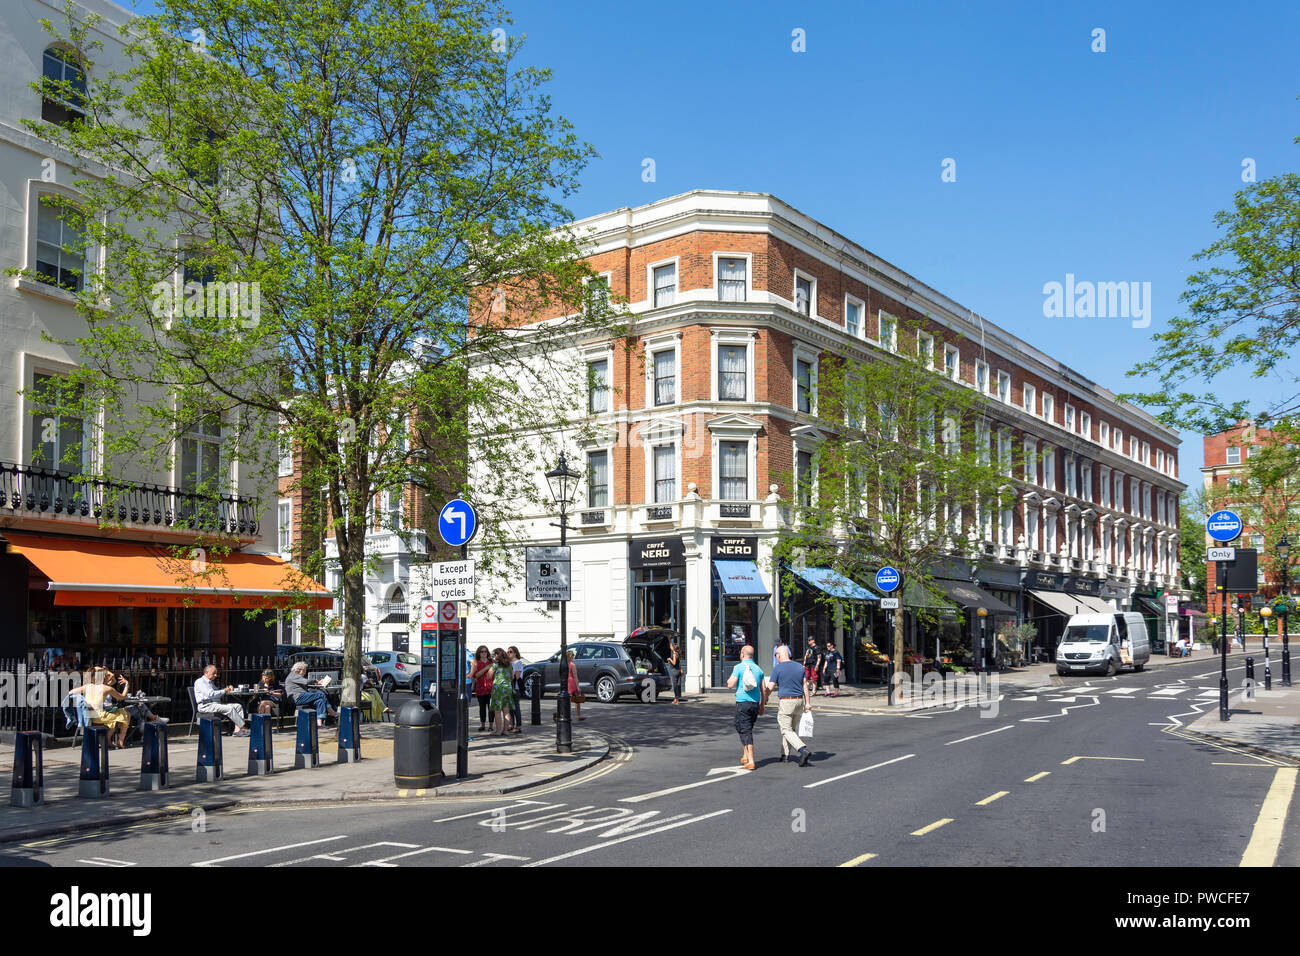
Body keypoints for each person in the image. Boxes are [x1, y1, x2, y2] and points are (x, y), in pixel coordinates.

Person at [766, 646, 812, 767]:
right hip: (799, 702)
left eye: (776, 655)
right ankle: (785, 755)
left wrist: (764, 697)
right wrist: (808, 703)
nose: (776, 657)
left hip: (786, 702)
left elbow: (770, 687)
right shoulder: (799, 667)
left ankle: (802, 750)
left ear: (779, 655)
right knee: (790, 729)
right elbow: (805, 686)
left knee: (785, 729)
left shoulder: (778, 668)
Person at [726, 644, 767, 770]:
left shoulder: (738, 667)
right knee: (745, 727)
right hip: (754, 703)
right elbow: (764, 689)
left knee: (745, 730)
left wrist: (732, 676)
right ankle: (745, 754)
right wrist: (762, 705)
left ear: (742, 654)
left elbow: (730, 685)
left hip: (743, 702)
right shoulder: (759, 669)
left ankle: (751, 760)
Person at [72, 666, 131, 748]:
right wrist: (127, 684)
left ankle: (108, 740)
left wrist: (83, 702)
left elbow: (70, 693)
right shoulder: (106, 688)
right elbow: (122, 697)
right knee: (124, 714)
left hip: (87, 716)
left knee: (114, 719)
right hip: (100, 716)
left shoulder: (86, 686)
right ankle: (120, 740)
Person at [193, 664, 248, 736]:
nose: (216, 675)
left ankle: (237, 731)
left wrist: (227, 688)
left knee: (238, 706)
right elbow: (211, 694)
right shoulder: (200, 682)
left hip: (215, 704)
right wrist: (224, 690)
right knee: (229, 708)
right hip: (206, 705)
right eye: (214, 673)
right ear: (206, 673)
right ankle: (243, 728)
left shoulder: (210, 682)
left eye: (216, 673)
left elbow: (218, 692)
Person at [284, 661, 337, 728]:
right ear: (300, 670)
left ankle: (319, 723)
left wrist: (317, 684)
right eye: (304, 670)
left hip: (302, 696)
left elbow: (306, 684)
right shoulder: (293, 675)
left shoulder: (296, 677)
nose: (305, 672)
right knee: (320, 693)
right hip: (297, 697)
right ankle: (331, 712)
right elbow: (306, 681)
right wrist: (316, 681)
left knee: (320, 701)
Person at [553, 649, 585, 722]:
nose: (573, 657)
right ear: (571, 657)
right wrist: (578, 686)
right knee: (577, 700)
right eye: (573, 655)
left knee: (565, 700)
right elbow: (575, 676)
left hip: (565, 682)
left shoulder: (563, 664)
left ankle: (559, 714)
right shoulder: (572, 665)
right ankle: (578, 715)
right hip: (571, 683)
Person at [490, 648, 515, 736]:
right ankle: (506, 730)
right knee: (506, 711)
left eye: (494, 654)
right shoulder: (509, 665)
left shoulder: (495, 665)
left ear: (498, 655)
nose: (494, 656)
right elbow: (512, 676)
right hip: (507, 689)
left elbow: (489, 676)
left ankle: (499, 730)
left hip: (498, 689)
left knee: (497, 711)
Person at [470, 645, 494, 731]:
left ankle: (491, 726)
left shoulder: (492, 662)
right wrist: (486, 668)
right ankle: (483, 725)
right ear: (479, 653)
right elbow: (476, 675)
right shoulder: (476, 663)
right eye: (482, 652)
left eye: (485, 651)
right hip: (480, 688)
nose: (484, 653)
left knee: (491, 708)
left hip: (491, 688)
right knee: (482, 708)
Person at [507, 646, 524, 734]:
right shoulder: (508, 663)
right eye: (508, 652)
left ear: (515, 653)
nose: (509, 653)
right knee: (510, 707)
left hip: (515, 688)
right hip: (508, 687)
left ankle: (518, 726)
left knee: (516, 707)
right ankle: (511, 724)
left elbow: (517, 676)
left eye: (511, 652)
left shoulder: (518, 663)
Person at [664, 638, 684, 704]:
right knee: (678, 685)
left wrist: (669, 659)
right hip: (678, 671)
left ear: (675, 649)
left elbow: (674, 663)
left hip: (674, 671)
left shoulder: (674, 654)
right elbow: (671, 647)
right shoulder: (678, 653)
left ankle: (676, 699)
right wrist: (669, 639)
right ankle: (676, 698)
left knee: (675, 685)